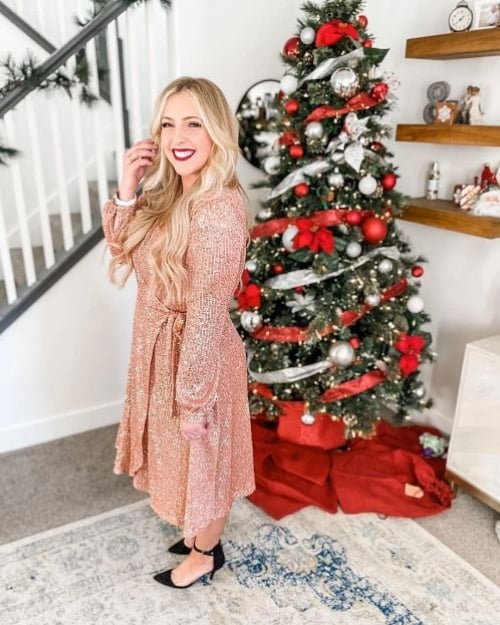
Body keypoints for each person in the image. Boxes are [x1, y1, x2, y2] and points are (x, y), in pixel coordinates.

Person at [101, 76, 255, 589]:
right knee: (185, 460)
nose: (177, 135)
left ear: (216, 130)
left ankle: (206, 554)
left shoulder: (218, 211)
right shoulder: (170, 192)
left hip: (198, 359)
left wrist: (193, 399)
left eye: (192, 122)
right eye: (168, 123)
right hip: (163, 351)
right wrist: (128, 185)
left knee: (204, 460)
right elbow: (123, 247)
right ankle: (197, 537)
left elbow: (208, 313)